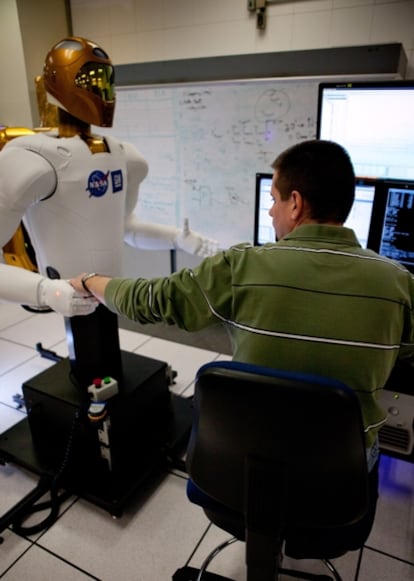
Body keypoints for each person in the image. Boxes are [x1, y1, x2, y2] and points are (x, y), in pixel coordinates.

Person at [71, 138, 414, 545]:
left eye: (273, 199)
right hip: (337, 497)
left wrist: (91, 280)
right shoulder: (399, 285)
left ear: (295, 203)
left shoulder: (241, 266)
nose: (270, 211)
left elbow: (152, 300)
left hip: (233, 479)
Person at [0, 37, 217, 315]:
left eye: (105, 82)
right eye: (90, 81)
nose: (102, 92)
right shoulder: (30, 159)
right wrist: (44, 290)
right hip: (67, 291)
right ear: (61, 83)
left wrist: (176, 238)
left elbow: (125, 228)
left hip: (110, 292)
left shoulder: (125, 157)